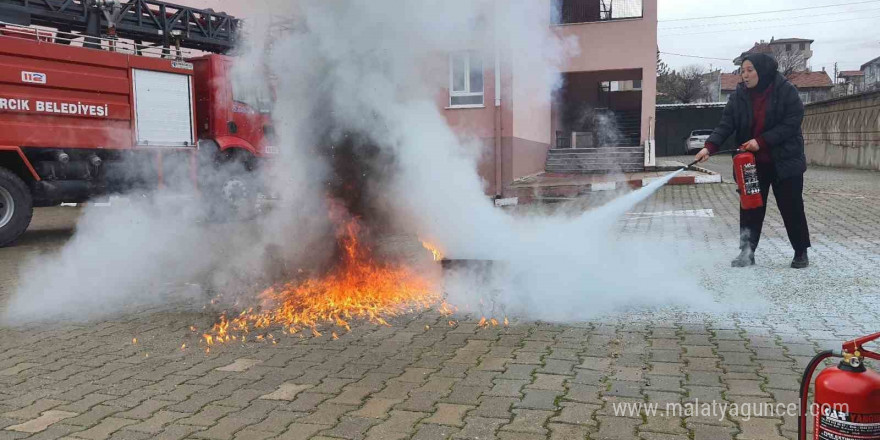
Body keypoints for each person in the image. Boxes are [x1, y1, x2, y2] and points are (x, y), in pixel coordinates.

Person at [693, 53, 811, 269]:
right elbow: (726, 124)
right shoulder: (739, 95)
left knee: (791, 206)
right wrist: (709, 147)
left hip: (785, 161)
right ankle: (747, 252)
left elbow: (792, 122)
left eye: (749, 70)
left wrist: (762, 141)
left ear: (762, 70)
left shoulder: (785, 90)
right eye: (742, 71)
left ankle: (800, 251)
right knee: (750, 207)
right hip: (751, 163)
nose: (745, 75)